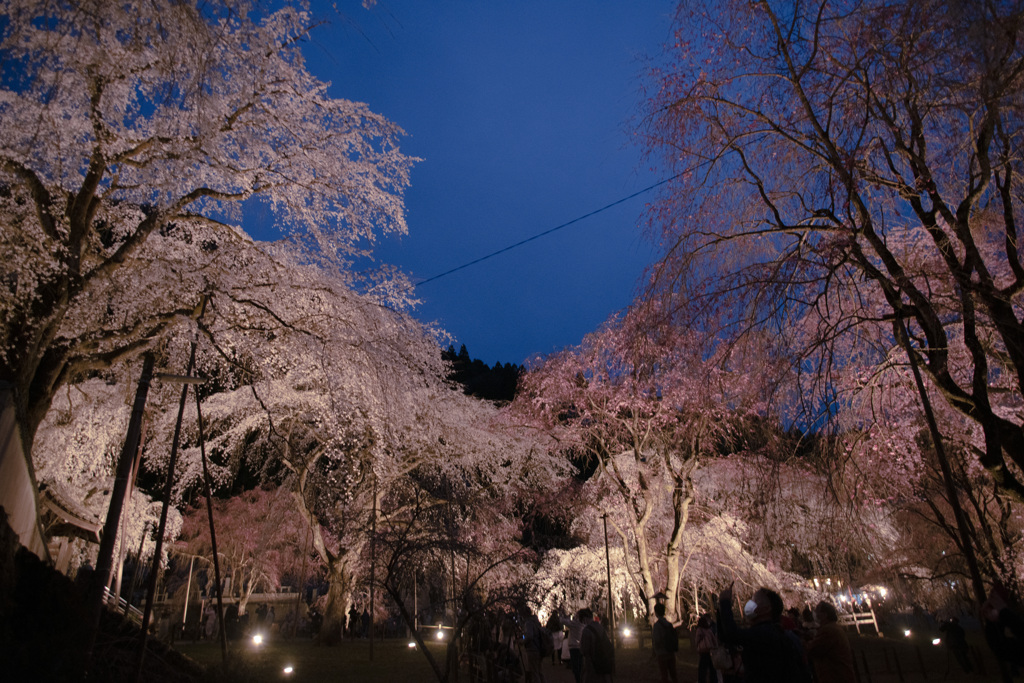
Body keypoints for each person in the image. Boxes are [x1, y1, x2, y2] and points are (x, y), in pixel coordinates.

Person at [717, 582, 810, 683]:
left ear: (767, 609)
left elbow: (732, 634)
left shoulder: (765, 633)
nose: (750, 604)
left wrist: (725, 603)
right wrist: (721, 609)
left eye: (755, 601)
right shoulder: (769, 630)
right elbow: (725, 637)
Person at [805, 601, 856, 683]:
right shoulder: (834, 628)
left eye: (817, 612)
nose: (815, 614)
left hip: (835, 676)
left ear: (825, 615)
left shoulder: (828, 630)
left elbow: (813, 649)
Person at [578, 607, 612, 683]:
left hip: (592, 663)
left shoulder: (586, 630)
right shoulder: (600, 627)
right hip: (603, 660)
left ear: (584, 619)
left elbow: (584, 649)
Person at [519, 604, 546, 683]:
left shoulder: (528, 623)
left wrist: (522, 641)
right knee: (539, 671)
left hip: (532, 649)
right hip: (538, 648)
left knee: (534, 672)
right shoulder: (535, 621)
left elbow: (529, 636)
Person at [652, 602, 679, 683]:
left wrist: (656, 650)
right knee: (673, 674)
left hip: (661, 652)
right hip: (670, 651)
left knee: (664, 675)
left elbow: (657, 640)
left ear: (656, 613)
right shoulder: (669, 624)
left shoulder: (657, 626)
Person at [693, 613, 718, 683]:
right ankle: (713, 680)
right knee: (712, 667)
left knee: (702, 668)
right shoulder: (709, 630)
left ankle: (702, 680)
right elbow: (713, 639)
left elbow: (697, 639)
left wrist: (698, 646)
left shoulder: (700, 630)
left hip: (703, 651)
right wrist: (715, 646)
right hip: (710, 650)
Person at [563, 610, 586, 683]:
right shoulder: (583, 624)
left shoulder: (575, 624)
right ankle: (580, 678)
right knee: (580, 665)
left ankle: (578, 680)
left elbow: (563, 621)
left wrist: (564, 615)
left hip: (574, 646)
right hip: (580, 646)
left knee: (576, 666)